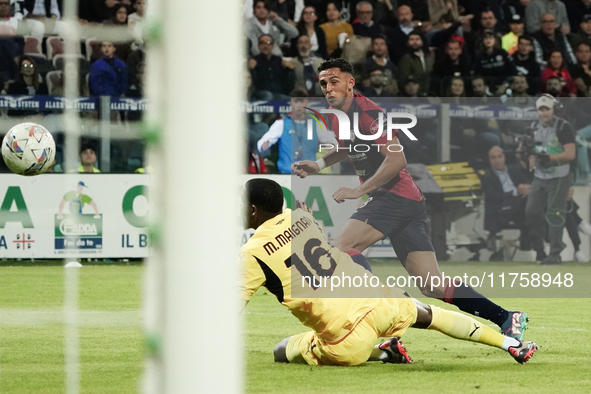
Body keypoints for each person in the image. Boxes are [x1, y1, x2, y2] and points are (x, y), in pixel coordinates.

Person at [292, 58, 530, 340]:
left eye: (334, 82)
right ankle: (507, 318)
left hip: (394, 197)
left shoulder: (369, 113)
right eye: (323, 84)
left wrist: (359, 190)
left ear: (350, 83)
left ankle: (377, 312)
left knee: (342, 247)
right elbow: (346, 148)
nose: (328, 89)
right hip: (407, 202)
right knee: (432, 285)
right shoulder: (337, 116)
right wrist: (318, 165)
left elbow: (397, 159)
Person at [241, 178, 539, 366]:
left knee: (281, 350)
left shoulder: (252, 252)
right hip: (383, 304)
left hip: (346, 339)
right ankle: (509, 341)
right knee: (429, 311)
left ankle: (383, 353)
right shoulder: (302, 217)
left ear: (253, 210)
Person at [525, 94, 576, 265]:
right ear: (537, 111)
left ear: (553, 109)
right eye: (541, 109)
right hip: (540, 175)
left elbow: (571, 153)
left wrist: (550, 158)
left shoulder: (564, 126)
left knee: (555, 213)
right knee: (531, 211)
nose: (544, 112)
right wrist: (529, 157)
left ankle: (555, 253)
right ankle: (551, 239)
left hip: (559, 175)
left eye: (547, 109)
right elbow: (531, 150)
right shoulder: (533, 127)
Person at [257, 89, 335, 173]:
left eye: (302, 101)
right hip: (286, 173)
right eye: (296, 102)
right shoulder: (282, 123)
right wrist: (264, 145)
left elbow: (334, 142)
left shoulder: (315, 123)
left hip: (309, 173)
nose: (299, 105)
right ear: (291, 103)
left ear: (307, 103)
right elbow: (263, 143)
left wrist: (330, 147)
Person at [480, 146, 532, 260]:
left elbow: (526, 181)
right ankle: (529, 240)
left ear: (504, 157)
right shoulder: (486, 176)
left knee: (531, 204)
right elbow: (494, 197)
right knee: (522, 204)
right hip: (501, 208)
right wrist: (515, 192)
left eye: (499, 156)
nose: (497, 160)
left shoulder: (515, 170)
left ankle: (534, 242)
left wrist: (526, 188)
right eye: (493, 158)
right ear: (489, 160)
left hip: (519, 206)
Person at [249, 34, 295, 100]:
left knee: (289, 100)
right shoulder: (254, 61)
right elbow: (253, 82)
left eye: (268, 43)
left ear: (273, 46)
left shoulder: (279, 61)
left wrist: (290, 69)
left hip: (278, 93)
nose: (265, 46)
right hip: (261, 94)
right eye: (262, 43)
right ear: (258, 46)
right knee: (268, 96)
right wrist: (251, 69)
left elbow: (287, 82)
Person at [474, 29, 518, 95]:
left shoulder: (503, 53)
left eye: (491, 37)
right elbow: (477, 74)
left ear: (495, 39)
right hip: (487, 89)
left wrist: (506, 85)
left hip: (504, 86)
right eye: (486, 38)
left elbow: (513, 70)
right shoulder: (479, 56)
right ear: (482, 40)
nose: (488, 40)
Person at [398, 31, 434, 96]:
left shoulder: (428, 57)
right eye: (412, 39)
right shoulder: (406, 59)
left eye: (417, 39)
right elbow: (404, 78)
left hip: (428, 93)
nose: (415, 42)